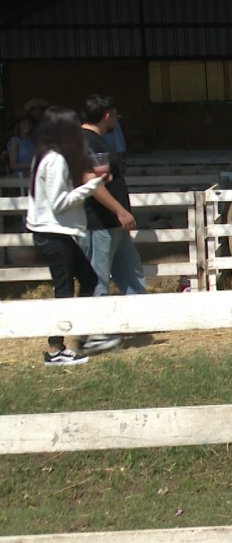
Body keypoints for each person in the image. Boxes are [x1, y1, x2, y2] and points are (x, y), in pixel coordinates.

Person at [26, 107, 109, 366]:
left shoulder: (45, 156)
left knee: (88, 279)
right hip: (53, 233)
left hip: (54, 232)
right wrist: (93, 186)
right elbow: (59, 203)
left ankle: (78, 336)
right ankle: (55, 350)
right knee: (64, 290)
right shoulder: (55, 160)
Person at [78, 95, 148, 353]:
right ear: (107, 115)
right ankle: (98, 333)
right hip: (101, 224)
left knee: (131, 272)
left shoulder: (93, 141)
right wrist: (119, 210)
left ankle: (138, 320)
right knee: (98, 278)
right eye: (115, 116)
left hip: (112, 224)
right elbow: (92, 183)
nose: (116, 120)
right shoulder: (88, 142)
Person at [6, 113, 36, 184]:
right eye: (24, 123)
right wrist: (31, 164)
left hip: (32, 173)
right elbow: (13, 165)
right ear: (18, 125)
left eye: (29, 123)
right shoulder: (15, 141)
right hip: (20, 176)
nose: (27, 126)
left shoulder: (31, 141)